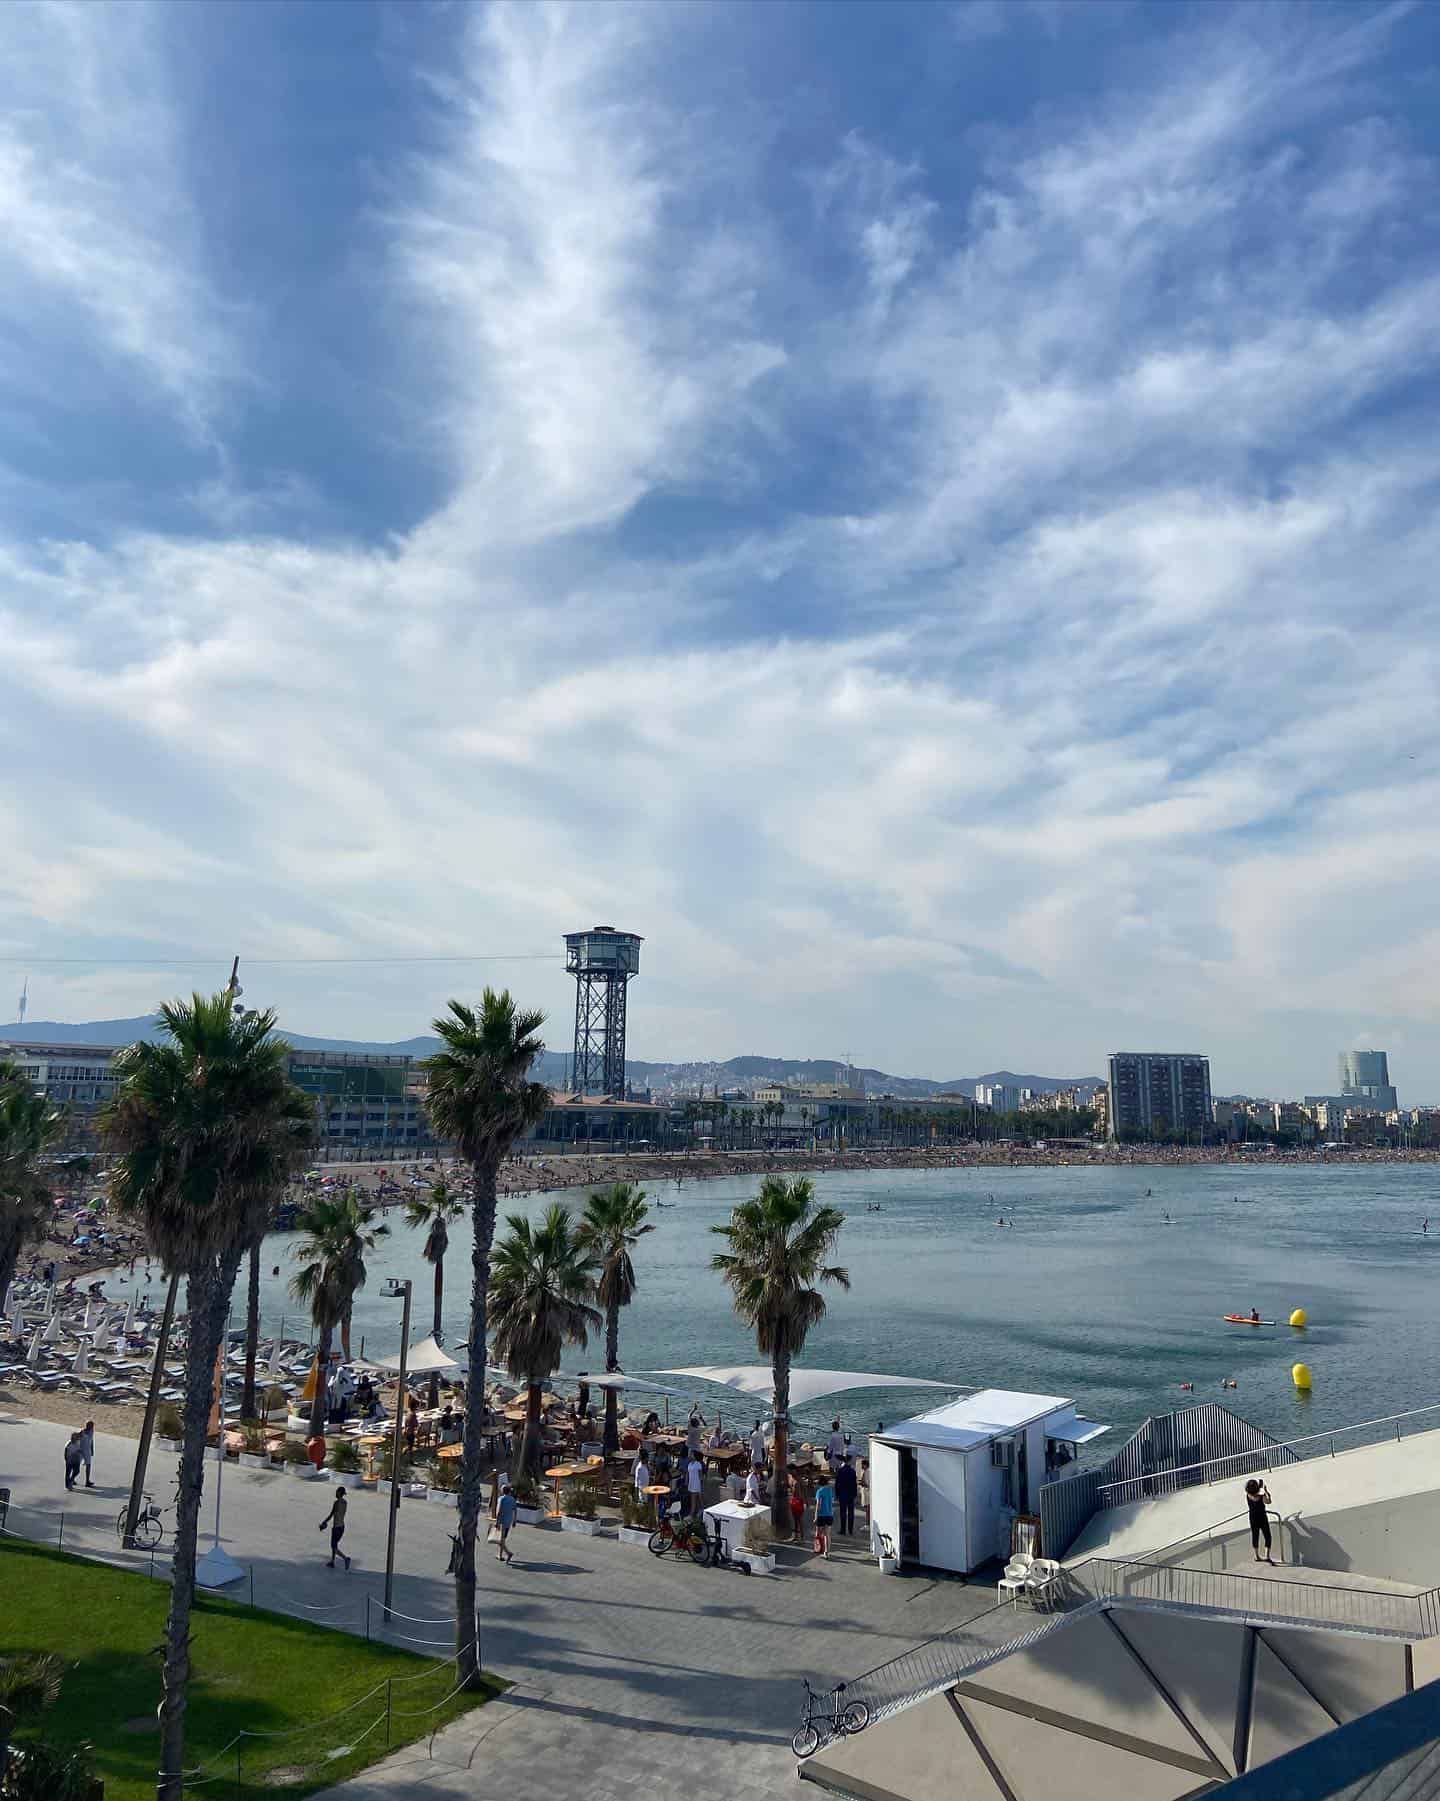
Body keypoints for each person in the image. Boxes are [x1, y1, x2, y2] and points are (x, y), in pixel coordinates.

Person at [319, 1485, 351, 1569]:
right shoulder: (345, 1502)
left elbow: (331, 1515)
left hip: (336, 1528)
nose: (335, 1493)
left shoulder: (336, 1503)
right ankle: (332, 1562)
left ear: (339, 1493)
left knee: (333, 1546)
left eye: (337, 1492)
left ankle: (345, 1558)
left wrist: (324, 1523)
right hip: (342, 1527)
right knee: (335, 1545)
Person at [1245, 1478, 1273, 1562]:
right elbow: (1269, 1501)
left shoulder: (1248, 1496)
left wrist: (1259, 1487)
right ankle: (1267, 1556)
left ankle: (1257, 1556)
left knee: (1255, 1536)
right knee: (1267, 1536)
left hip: (1253, 1518)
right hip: (1262, 1518)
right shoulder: (1261, 1497)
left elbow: (1253, 1492)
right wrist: (1266, 1492)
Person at [834, 1455, 858, 1536]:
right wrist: (855, 1494)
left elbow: (837, 1484)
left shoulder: (840, 1471)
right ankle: (850, 1530)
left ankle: (843, 1530)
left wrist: (837, 1494)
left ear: (843, 1461)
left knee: (843, 1512)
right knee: (851, 1513)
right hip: (851, 1494)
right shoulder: (853, 1471)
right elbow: (855, 1484)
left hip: (842, 1494)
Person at [495, 1480, 517, 1564]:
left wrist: (497, 1522)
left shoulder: (501, 1499)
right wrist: (514, 1521)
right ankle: (500, 1555)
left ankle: (508, 1553)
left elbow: (499, 1511)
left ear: (503, 1491)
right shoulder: (512, 1499)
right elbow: (515, 1510)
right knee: (502, 1539)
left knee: (500, 1540)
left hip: (502, 1522)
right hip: (508, 1522)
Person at [814, 1475, 836, 1557]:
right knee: (827, 1534)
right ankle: (826, 1552)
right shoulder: (830, 1490)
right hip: (829, 1514)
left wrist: (815, 1516)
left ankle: (818, 1548)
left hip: (821, 1515)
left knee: (818, 1533)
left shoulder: (819, 1491)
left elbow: (818, 1505)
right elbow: (832, 1501)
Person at [685, 1452, 704, 1517]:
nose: (690, 1456)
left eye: (691, 1454)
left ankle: (692, 1513)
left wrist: (701, 1484)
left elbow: (700, 1475)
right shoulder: (689, 1464)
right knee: (698, 1498)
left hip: (696, 1483)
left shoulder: (698, 1464)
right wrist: (686, 1482)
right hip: (691, 1483)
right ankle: (701, 1509)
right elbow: (687, 1473)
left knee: (694, 1498)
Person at [78, 1418, 96, 1488]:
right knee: (76, 1465)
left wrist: (92, 1449)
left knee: (88, 1465)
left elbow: (92, 1440)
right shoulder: (81, 1432)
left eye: (91, 1426)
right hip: (81, 1450)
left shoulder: (92, 1431)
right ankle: (72, 1479)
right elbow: (76, 1440)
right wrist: (77, 1449)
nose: (91, 1427)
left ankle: (87, 1481)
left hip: (87, 1450)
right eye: (90, 1425)